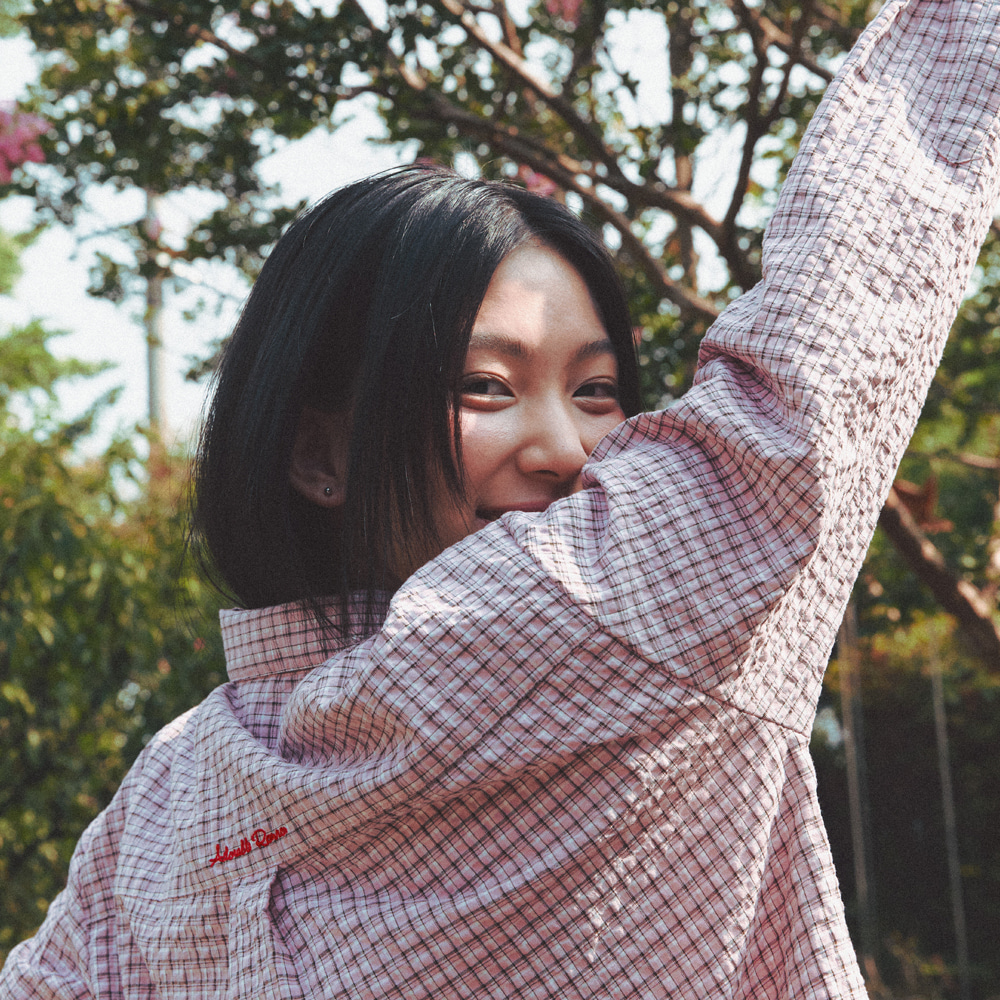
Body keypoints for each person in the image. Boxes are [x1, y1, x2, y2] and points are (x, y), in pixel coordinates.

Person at [3, 0, 1000, 996]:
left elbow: (830, 339)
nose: (567, 449)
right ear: (318, 455)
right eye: (485, 386)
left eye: (597, 390)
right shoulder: (178, 791)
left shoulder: (625, 613)